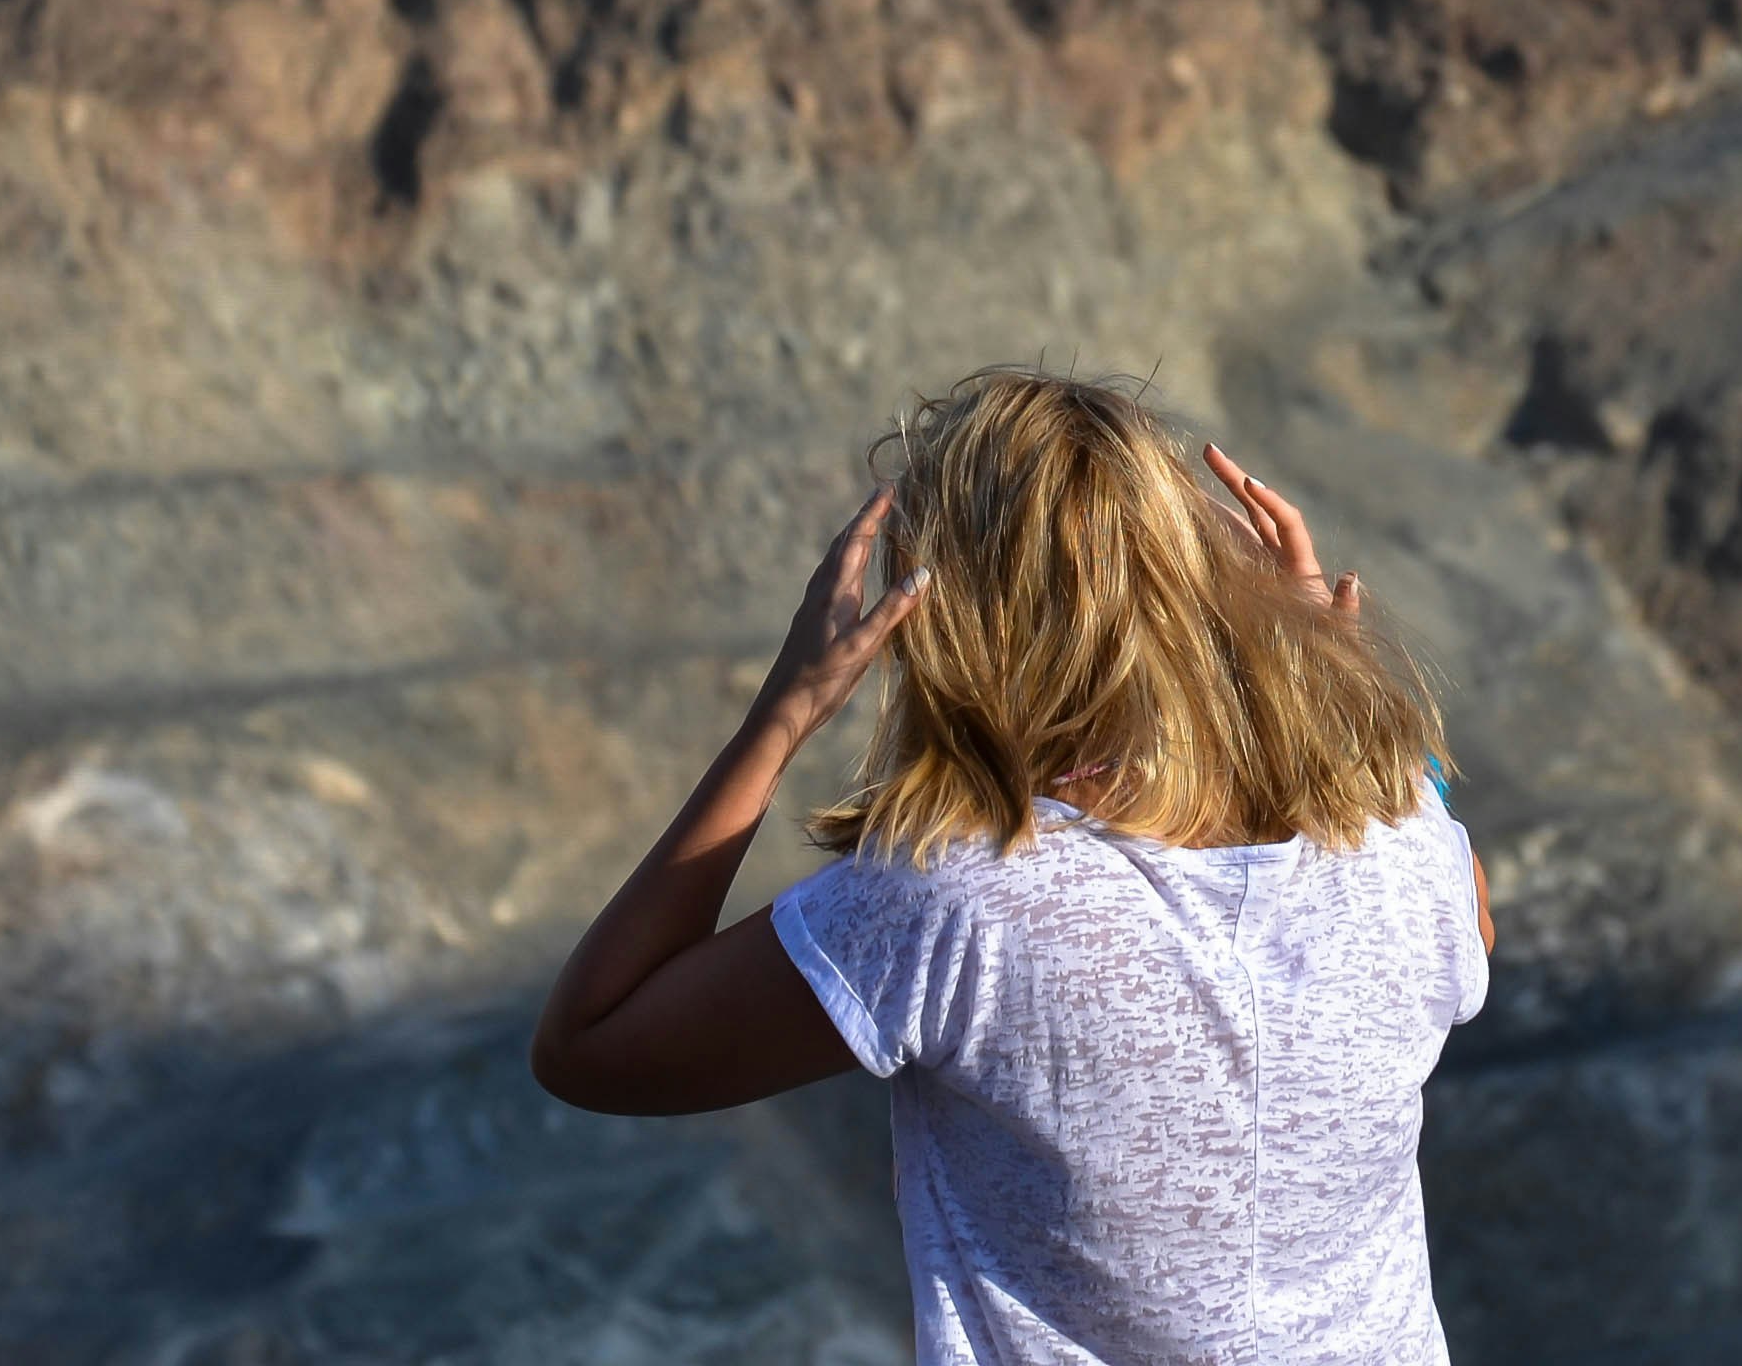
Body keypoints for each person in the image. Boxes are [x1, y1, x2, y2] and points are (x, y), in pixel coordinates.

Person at [528, 367, 1496, 1365]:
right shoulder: (1401, 837)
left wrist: (779, 720)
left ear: (951, 617)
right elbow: (1459, 910)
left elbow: (592, 1046)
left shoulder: (961, 898)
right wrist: (1309, 678)